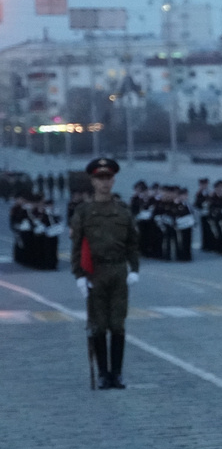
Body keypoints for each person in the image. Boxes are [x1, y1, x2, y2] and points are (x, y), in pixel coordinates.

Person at [70, 158, 140, 390]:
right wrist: (79, 276)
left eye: (108, 178)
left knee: (117, 325)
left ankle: (117, 374)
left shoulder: (123, 211)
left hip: (119, 270)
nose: (104, 183)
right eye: (100, 178)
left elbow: (132, 243)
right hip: (95, 272)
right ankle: (103, 374)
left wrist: (134, 269)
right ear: (92, 181)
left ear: (113, 180)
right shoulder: (83, 212)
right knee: (98, 325)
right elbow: (77, 246)